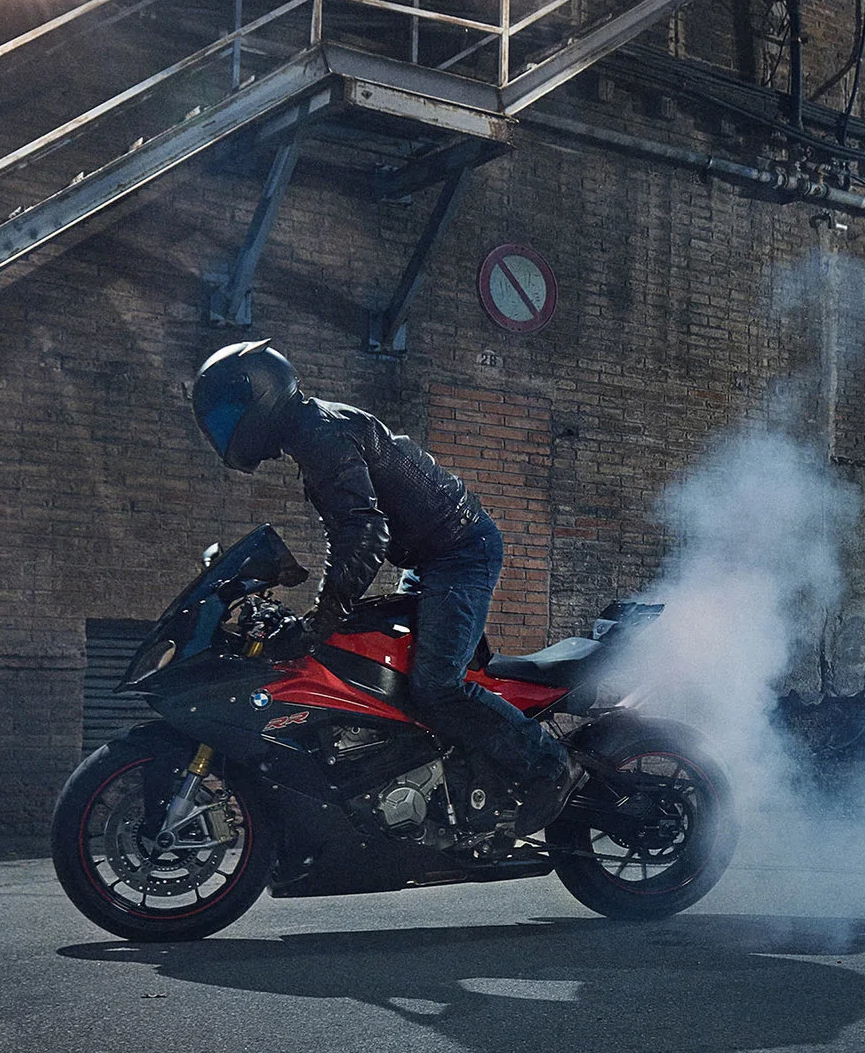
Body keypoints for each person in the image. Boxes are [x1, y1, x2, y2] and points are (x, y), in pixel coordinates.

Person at [190, 340, 576, 832]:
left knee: (436, 685)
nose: (225, 428)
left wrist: (320, 620)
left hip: (460, 551)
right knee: (385, 670)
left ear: (258, 396)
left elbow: (364, 534)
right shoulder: (311, 432)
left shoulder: (321, 434)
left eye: (227, 414)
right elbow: (352, 531)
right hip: (429, 556)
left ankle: (549, 767)